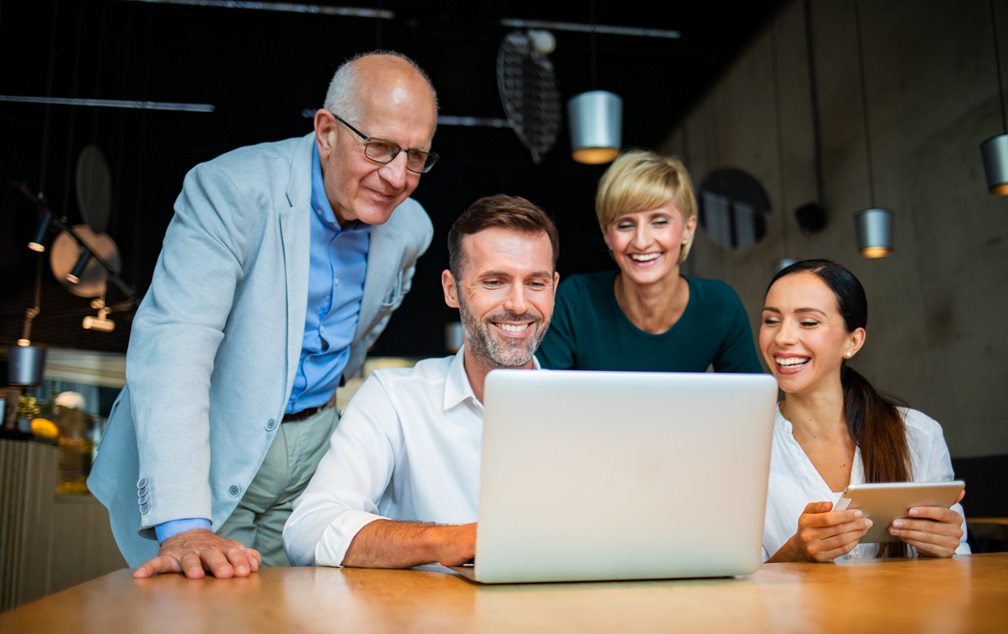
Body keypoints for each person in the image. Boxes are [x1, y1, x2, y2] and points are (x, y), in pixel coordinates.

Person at [88, 50, 439, 579]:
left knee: (297, 624)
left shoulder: (412, 229)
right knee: (203, 630)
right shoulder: (231, 190)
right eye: (381, 148)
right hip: (216, 442)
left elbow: (368, 325)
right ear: (326, 131)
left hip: (316, 446)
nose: (397, 177)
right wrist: (184, 525)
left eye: (416, 156)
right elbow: (174, 348)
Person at [283, 194, 559, 568]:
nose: (518, 303)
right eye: (494, 281)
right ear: (451, 289)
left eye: (536, 283)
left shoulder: (589, 414)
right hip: (423, 622)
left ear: (554, 288)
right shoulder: (393, 398)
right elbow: (308, 530)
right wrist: (446, 540)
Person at [759, 259, 969, 562]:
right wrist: (795, 554)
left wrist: (942, 549)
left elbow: (962, 570)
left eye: (808, 322)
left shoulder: (918, 435)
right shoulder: (744, 448)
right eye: (771, 320)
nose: (782, 338)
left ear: (853, 341)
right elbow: (731, 586)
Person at [535, 149, 762, 373]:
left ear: (688, 229)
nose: (642, 242)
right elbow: (540, 399)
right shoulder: (575, 300)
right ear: (607, 235)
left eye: (660, 222)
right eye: (625, 225)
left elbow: (751, 403)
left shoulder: (719, 305)